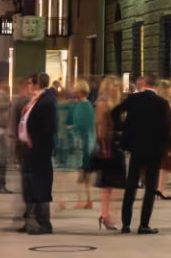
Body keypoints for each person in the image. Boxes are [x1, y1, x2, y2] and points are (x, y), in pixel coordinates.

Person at [112, 73, 171, 234]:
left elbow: (115, 111)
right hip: (155, 148)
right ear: (156, 86)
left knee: (131, 184)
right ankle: (144, 224)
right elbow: (166, 127)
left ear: (144, 83)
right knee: (150, 187)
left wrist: (123, 128)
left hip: (136, 147)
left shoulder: (134, 99)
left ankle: (126, 224)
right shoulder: (162, 103)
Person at [17, 73, 58, 234]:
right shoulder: (37, 100)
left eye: (29, 83)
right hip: (31, 149)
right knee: (31, 185)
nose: (27, 86)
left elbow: (48, 128)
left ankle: (44, 223)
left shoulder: (46, 102)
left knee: (40, 185)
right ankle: (30, 220)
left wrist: (38, 143)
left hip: (39, 151)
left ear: (36, 84)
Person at [91, 77, 126, 230]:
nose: (116, 89)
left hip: (117, 144)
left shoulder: (118, 104)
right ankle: (106, 215)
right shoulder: (102, 104)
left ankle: (109, 215)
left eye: (118, 86)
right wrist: (103, 147)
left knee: (117, 184)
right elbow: (100, 128)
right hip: (107, 146)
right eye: (113, 86)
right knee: (108, 184)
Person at [56, 80, 94, 209]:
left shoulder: (83, 106)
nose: (74, 92)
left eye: (76, 90)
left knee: (81, 171)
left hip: (82, 142)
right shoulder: (85, 105)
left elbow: (83, 124)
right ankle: (86, 200)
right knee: (83, 172)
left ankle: (83, 200)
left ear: (80, 91)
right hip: (84, 141)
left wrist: (72, 127)